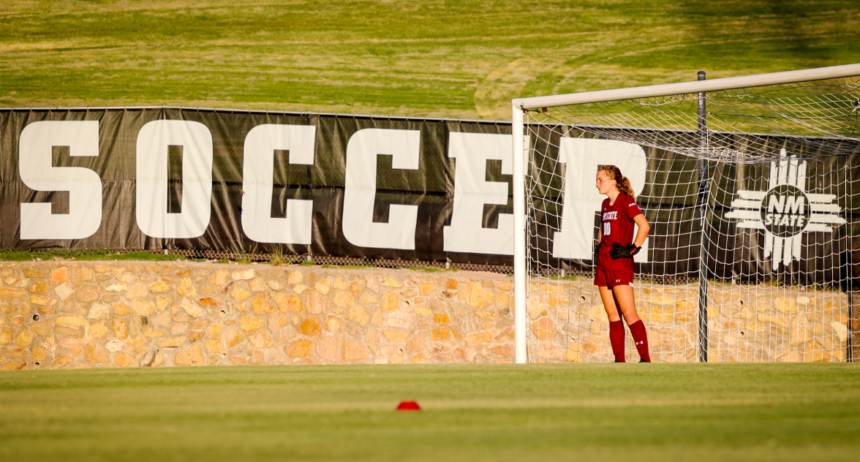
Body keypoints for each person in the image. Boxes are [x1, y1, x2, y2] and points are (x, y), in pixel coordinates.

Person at [594, 165, 651, 362]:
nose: (597, 184)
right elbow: (603, 226)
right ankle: (619, 361)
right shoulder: (604, 204)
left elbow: (644, 226)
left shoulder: (626, 201)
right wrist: (599, 244)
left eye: (601, 180)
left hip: (620, 265)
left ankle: (645, 359)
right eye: (597, 179)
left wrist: (633, 249)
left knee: (629, 313)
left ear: (612, 181)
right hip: (604, 264)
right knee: (612, 315)